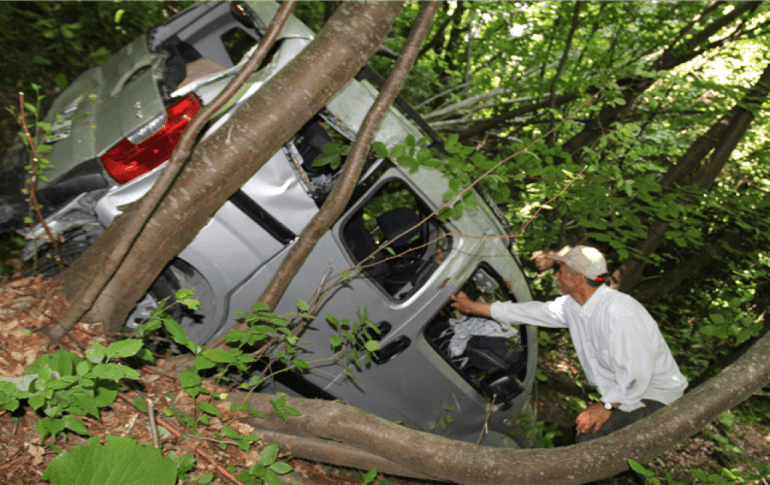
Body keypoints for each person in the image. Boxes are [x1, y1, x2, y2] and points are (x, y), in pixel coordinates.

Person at [450, 245, 688, 443]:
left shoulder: (619, 312)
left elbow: (637, 375)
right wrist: (473, 307)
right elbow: (529, 312)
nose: (556, 275)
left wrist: (606, 406)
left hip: (652, 397)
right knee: (591, 437)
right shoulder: (574, 306)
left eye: (561, 271)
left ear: (577, 278)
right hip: (627, 395)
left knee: (592, 436)